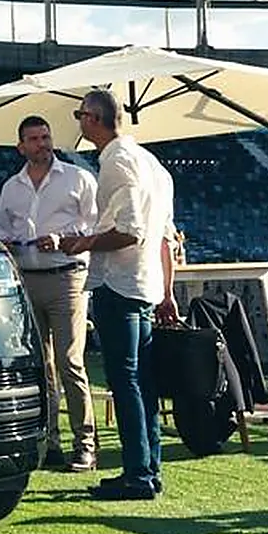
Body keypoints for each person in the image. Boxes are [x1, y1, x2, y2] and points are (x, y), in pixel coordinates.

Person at [49, 88, 179, 501]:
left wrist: (82, 243)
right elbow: (162, 236)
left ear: (93, 118)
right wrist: (167, 289)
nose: (78, 121)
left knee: (126, 381)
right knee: (143, 381)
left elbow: (130, 230)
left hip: (120, 284)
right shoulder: (151, 164)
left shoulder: (117, 162)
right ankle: (147, 468)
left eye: (79, 114)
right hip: (145, 283)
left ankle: (138, 473)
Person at [0, 115, 99, 473]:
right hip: (27, 277)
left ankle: (84, 444)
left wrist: (64, 237)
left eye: (45, 136)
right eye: (34, 139)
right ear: (20, 146)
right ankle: (49, 442)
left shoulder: (77, 177)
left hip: (67, 277)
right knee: (42, 365)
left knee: (71, 362)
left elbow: (96, 224)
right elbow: (0, 225)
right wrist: (4, 241)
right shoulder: (12, 186)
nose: (42, 143)